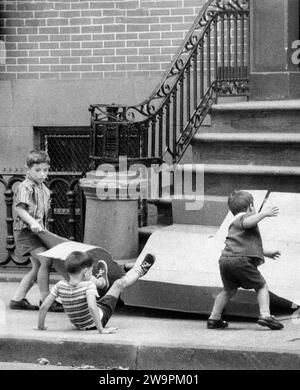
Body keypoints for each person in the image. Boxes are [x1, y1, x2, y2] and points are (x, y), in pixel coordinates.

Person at [207, 190, 284, 330]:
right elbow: (247, 222)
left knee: (228, 290)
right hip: (240, 261)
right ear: (250, 206)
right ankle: (265, 315)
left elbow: (246, 246)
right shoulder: (244, 218)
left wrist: (267, 253)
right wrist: (263, 214)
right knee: (261, 286)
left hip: (226, 260)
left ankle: (214, 318)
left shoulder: (234, 223)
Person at [37, 251, 155, 333]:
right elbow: (92, 308)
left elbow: (44, 307)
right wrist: (101, 330)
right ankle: (141, 270)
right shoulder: (88, 286)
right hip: (97, 319)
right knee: (119, 283)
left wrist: (40, 326)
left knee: (100, 289)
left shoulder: (59, 285)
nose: (91, 271)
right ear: (85, 272)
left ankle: (103, 281)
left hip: (78, 324)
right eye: (91, 270)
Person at [9, 150, 66, 312]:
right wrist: (32, 222)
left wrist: (41, 228)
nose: (42, 174)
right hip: (26, 233)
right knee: (45, 261)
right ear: (27, 170)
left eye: (45, 170)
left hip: (37, 233)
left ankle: (17, 299)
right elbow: (20, 209)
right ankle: (46, 300)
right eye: (37, 170)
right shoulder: (25, 187)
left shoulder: (43, 189)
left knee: (36, 267)